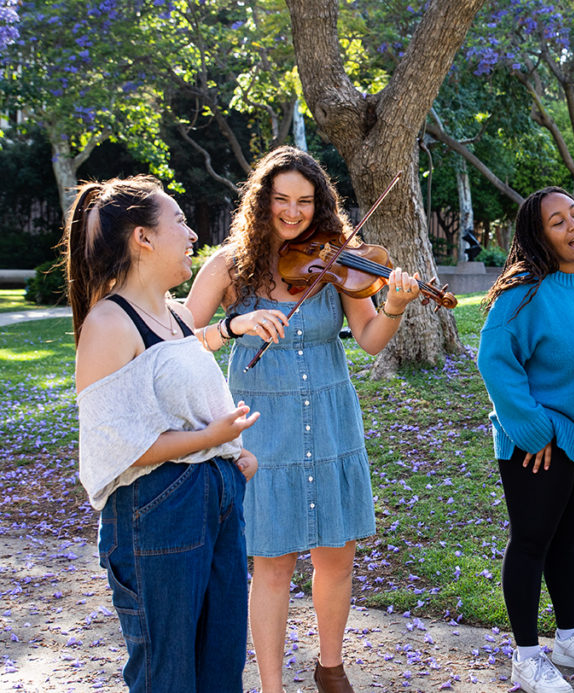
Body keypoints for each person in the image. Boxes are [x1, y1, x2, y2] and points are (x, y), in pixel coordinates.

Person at [185, 146, 422, 693]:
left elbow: (368, 339)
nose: (293, 213)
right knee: (272, 564)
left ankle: (330, 666)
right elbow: (178, 342)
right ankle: (271, 685)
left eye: (306, 202)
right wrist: (233, 329)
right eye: (282, 200)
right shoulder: (228, 266)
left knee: (336, 558)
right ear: (262, 201)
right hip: (263, 428)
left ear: (320, 206)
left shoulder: (339, 260)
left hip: (332, 423)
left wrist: (395, 306)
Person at [63, 176, 260, 693]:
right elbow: (121, 447)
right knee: (166, 674)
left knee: (221, 666)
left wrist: (228, 455)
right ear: (142, 238)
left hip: (213, 495)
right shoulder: (109, 324)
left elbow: (182, 383)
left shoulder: (171, 315)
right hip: (156, 508)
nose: (192, 234)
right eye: (180, 221)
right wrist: (211, 438)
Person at [476, 187, 574, 693]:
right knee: (531, 542)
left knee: (568, 538)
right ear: (538, 237)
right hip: (539, 442)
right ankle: (526, 657)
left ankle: (568, 638)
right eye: (557, 222)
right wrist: (532, 428)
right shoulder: (521, 291)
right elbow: (496, 361)